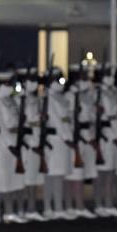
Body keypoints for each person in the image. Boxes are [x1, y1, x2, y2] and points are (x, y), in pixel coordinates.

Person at [0, 70, 25, 224]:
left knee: (11, 178)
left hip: (13, 140)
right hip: (1, 143)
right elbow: (1, 125)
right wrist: (11, 144)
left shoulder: (10, 100)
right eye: (6, 83)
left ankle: (9, 212)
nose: (9, 86)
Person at [65, 65, 98, 219]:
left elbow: (90, 118)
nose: (85, 80)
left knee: (83, 173)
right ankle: (75, 205)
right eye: (82, 77)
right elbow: (68, 120)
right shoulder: (69, 96)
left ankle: (78, 204)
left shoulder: (85, 95)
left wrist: (91, 137)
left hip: (86, 135)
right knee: (75, 174)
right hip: (76, 137)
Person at [95, 64, 117, 218]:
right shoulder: (99, 94)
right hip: (106, 137)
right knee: (103, 174)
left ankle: (108, 203)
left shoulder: (111, 93)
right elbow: (101, 117)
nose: (110, 77)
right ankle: (101, 204)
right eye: (107, 74)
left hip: (113, 134)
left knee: (111, 172)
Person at [43, 68, 72, 220]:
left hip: (63, 140)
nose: (61, 82)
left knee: (59, 175)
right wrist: (67, 137)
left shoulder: (60, 97)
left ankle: (57, 206)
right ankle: (51, 207)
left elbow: (67, 120)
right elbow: (57, 121)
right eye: (58, 79)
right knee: (52, 175)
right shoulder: (49, 98)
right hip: (55, 140)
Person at [16, 68, 45, 222]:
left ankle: (31, 208)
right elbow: (20, 126)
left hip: (36, 141)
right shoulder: (19, 100)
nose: (33, 83)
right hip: (26, 144)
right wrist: (29, 142)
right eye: (30, 79)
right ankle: (21, 208)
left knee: (33, 178)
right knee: (23, 180)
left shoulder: (37, 99)